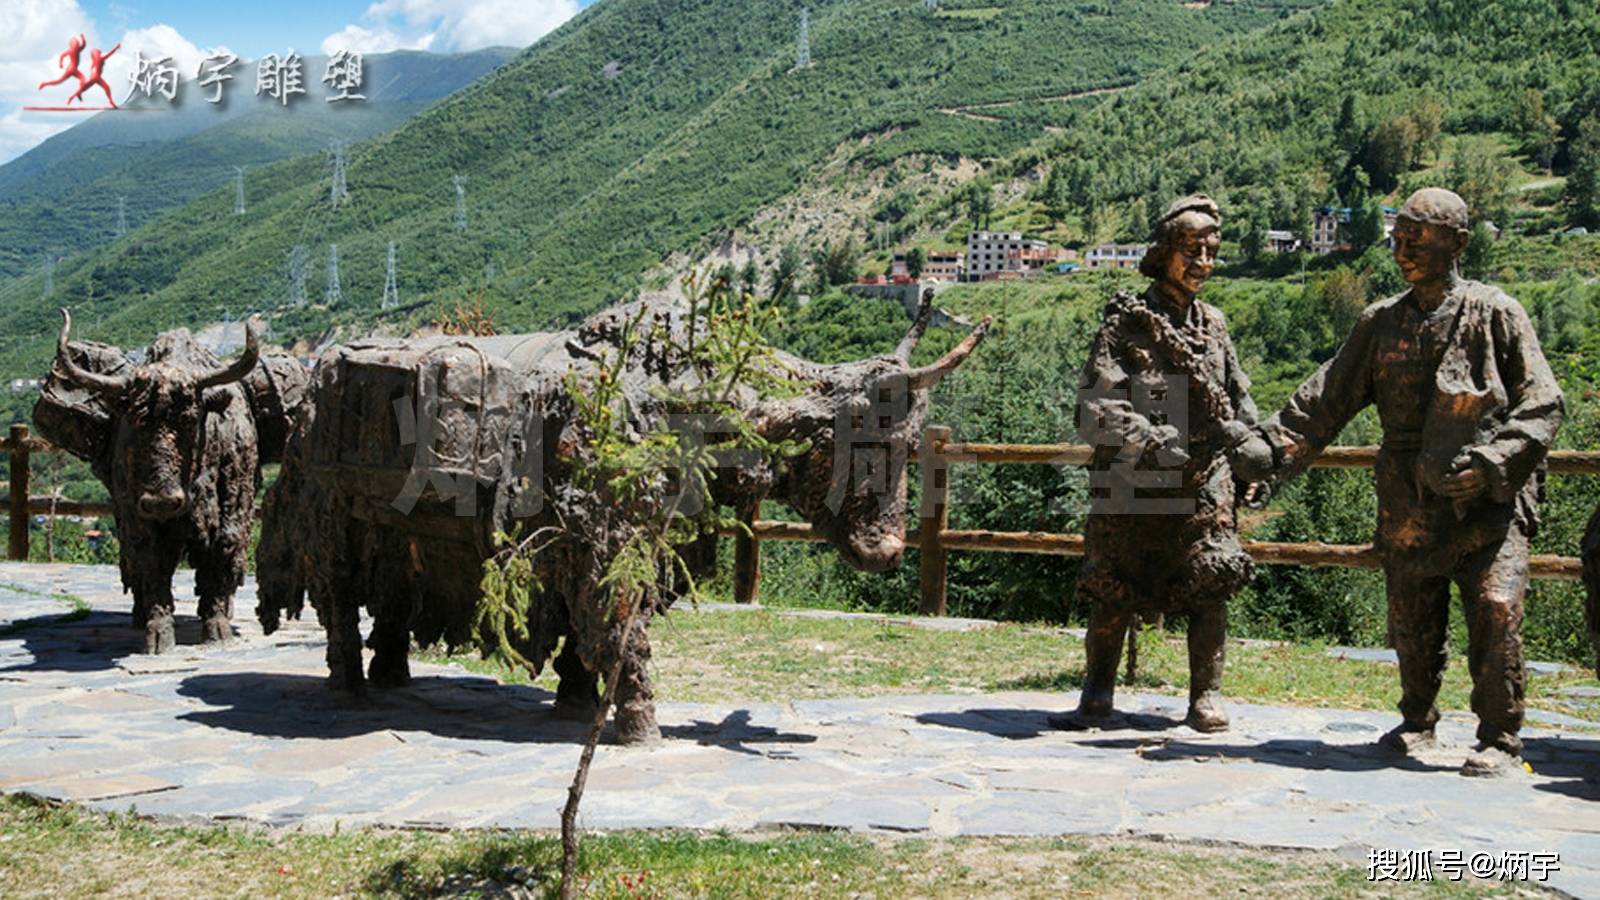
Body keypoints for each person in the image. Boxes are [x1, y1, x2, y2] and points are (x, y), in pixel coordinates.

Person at [1230, 188, 1564, 776]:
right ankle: (1417, 719)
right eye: (1399, 236)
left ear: (1457, 242)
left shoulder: (1497, 312)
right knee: (1411, 616)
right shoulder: (1380, 322)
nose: (1402, 248)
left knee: (1495, 606)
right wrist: (1271, 451)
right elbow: (1324, 401)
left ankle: (1500, 736)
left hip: (1487, 502)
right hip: (1407, 499)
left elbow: (1543, 401)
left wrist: (1492, 462)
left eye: (1418, 236)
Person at [1056, 194, 1266, 733]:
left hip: (1202, 481)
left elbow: (1239, 399)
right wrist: (1147, 440)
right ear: (1163, 252)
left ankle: (1205, 695)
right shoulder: (1126, 325)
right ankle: (1098, 689)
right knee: (1112, 589)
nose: (1203, 263)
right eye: (1191, 250)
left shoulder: (1215, 326)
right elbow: (1094, 407)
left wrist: (1251, 460)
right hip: (1133, 481)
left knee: (1211, 583)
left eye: (1212, 251)